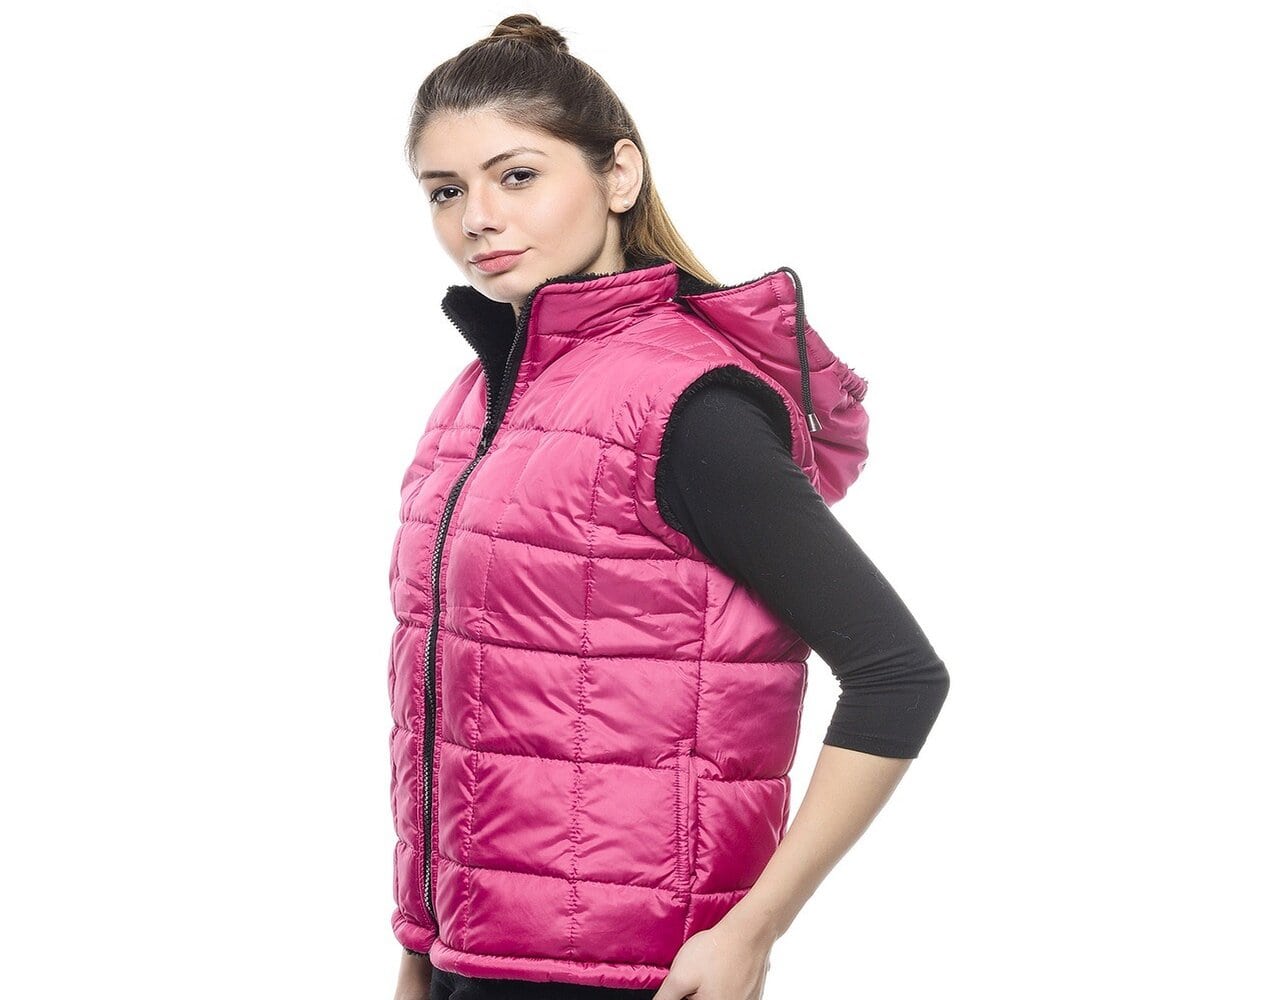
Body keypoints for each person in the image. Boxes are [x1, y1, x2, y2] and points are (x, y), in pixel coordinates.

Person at [387, 14, 950, 1000]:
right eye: (445, 190)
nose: (476, 216)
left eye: (515, 176)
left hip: (629, 974)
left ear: (618, 175)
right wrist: (418, 952)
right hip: (471, 961)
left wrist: (749, 934)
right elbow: (454, 712)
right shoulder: (477, 400)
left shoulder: (688, 406)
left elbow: (897, 673)